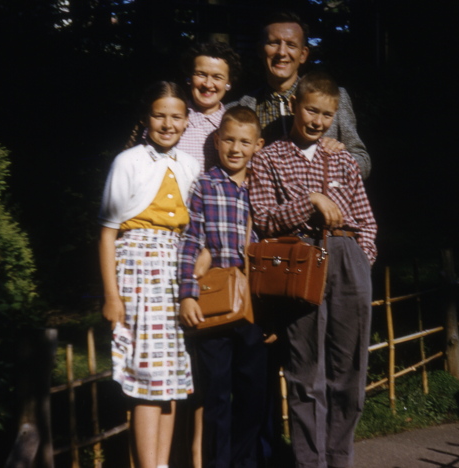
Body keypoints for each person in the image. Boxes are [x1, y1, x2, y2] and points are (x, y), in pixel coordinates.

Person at [249, 71, 377, 468]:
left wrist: (361, 259)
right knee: (306, 373)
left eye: (326, 114)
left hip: (347, 259)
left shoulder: (341, 158)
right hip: (300, 262)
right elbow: (265, 220)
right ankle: (310, 462)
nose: (317, 121)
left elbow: (367, 221)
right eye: (311, 110)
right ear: (293, 106)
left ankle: (340, 458)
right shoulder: (268, 157)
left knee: (350, 370)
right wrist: (311, 201)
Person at [98, 81, 201, 468]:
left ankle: (161, 463)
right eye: (159, 115)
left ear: (187, 121)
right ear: (146, 118)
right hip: (139, 272)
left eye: (176, 116)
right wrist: (112, 297)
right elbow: (108, 233)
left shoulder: (190, 166)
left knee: (171, 375)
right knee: (147, 378)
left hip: (177, 272)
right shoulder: (129, 162)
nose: (167, 124)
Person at [178, 106, 268, 468]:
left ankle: (245, 462)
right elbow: (190, 240)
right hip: (214, 304)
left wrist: (273, 314)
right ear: (216, 141)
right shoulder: (205, 184)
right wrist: (186, 292)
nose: (235, 148)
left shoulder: (262, 188)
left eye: (244, 142)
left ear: (257, 145)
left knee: (253, 394)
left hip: (254, 308)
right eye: (228, 139)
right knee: (215, 395)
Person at [231, 11, 371, 179]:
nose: (282, 52)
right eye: (274, 43)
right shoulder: (242, 107)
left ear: (303, 54)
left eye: (291, 45)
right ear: (261, 50)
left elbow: (363, 162)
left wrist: (339, 158)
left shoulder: (336, 98)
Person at [177, 41, 242, 171]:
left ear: (228, 83)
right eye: (201, 74)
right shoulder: (172, 120)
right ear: (189, 78)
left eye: (217, 77)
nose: (207, 84)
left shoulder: (237, 125)